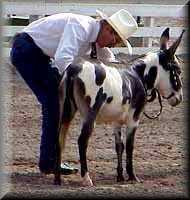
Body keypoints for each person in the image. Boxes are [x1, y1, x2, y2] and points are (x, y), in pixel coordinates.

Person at [10, 9, 138, 175]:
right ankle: (49, 162)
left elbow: (108, 61)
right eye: (116, 40)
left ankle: (50, 160)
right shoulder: (81, 27)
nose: (114, 44)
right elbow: (64, 58)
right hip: (27, 51)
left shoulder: (95, 38)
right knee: (54, 103)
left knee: (57, 103)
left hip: (35, 52)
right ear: (108, 29)